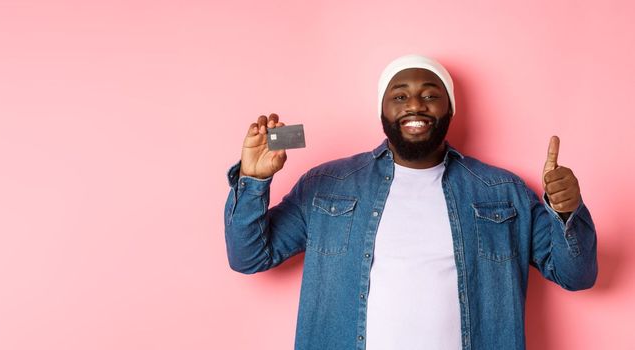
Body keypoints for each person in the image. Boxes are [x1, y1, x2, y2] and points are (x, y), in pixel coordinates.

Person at [222, 54, 597, 350]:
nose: (414, 104)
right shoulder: (326, 185)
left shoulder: (502, 190)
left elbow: (576, 276)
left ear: (449, 109)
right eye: (399, 95)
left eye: (431, 95)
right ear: (382, 111)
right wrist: (254, 180)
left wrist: (566, 211)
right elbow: (250, 256)